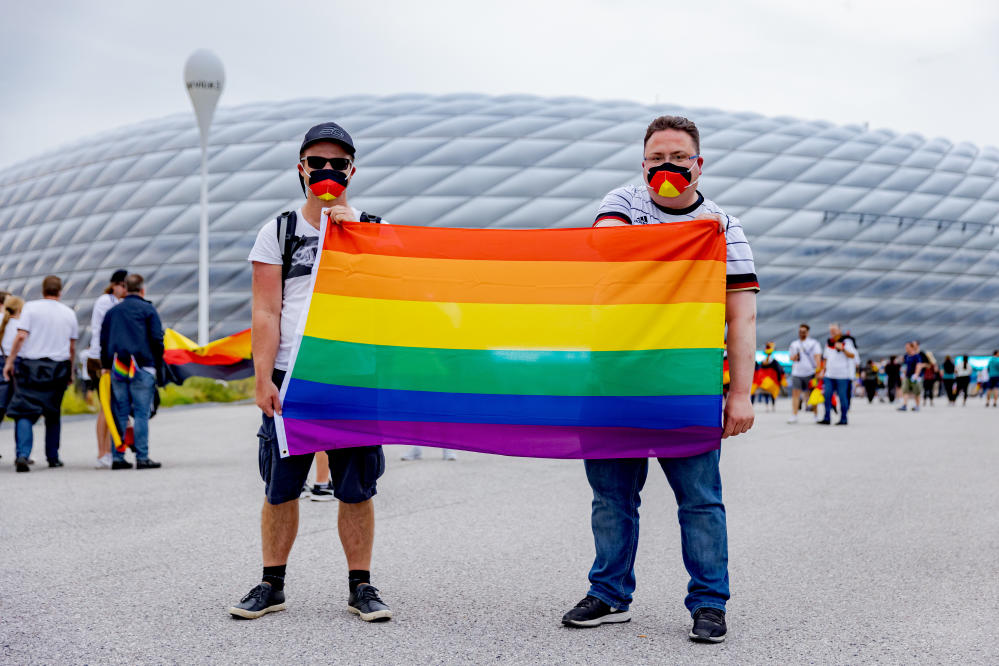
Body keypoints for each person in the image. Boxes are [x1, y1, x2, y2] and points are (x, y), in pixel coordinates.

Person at [560, 115, 758, 643]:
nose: (666, 169)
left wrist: (740, 393)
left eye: (677, 160)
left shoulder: (725, 227)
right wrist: (675, 242)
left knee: (700, 500)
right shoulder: (623, 203)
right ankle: (609, 593)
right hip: (611, 380)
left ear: (699, 164)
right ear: (642, 163)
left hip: (685, 384)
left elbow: (741, 316)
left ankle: (709, 603)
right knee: (611, 499)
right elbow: (605, 246)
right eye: (655, 160)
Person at [230, 122, 393, 622]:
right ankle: (271, 583)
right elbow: (266, 312)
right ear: (300, 168)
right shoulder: (276, 231)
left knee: (356, 488)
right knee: (280, 487)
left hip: (352, 379)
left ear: (352, 170)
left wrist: (352, 237)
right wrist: (262, 380)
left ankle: (360, 586)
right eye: (316, 162)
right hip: (290, 378)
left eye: (337, 164)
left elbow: (385, 305)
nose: (326, 171)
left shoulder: (372, 228)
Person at [3, 276, 79, 472]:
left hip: (31, 366)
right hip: (58, 367)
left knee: (24, 412)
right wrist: (70, 371)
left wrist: (10, 361)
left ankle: (22, 454)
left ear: (43, 290)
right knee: (53, 413)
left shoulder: (30, 308)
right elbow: (71, 347)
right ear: (60, 291)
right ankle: (53, 457)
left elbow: (21, 336)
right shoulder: (69, 313)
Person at [100, 273, 163, 470]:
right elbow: (157, 339)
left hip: (119, 366)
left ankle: (118, 457)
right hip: (143, 366)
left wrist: (105, 365)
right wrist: (158, 362)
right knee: (141, 413)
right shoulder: (148, 309)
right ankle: (142, 457)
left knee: (120, 412)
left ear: (125, 289)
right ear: (142, 290)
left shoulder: (113, 312)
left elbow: (104, 341)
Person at [86, 269, 128, 469]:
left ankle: (108, 451)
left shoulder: (114, 302)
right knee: (106, 407)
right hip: (101, 359)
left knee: (109, 406)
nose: (125, 290)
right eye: (123, 286)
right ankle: (103, 452)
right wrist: (106, 364)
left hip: (107, 358)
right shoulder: (105, 302)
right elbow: (105, 334)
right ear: (115, 285)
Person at [817, 323, 855, 425]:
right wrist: (822, 371)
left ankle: (843, 418)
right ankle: (827, 417)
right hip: (829, 375)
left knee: (842, 397)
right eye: (831, 330)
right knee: (827, 395)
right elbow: (825, 358)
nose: (832, 332)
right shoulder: (829, 342)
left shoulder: (847, 342)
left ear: (839, 330)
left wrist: (843, 349)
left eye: (834, 330)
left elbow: (852, 355)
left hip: (843, 375)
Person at [1, 296, 26, 444]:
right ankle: (21, 452)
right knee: (21, 410)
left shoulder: (3, 322)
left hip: (0, 362)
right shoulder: (21, 325)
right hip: (16, 364)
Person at [787, 323, 822, 423]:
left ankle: (816, 415)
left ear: (807, 332)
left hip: (810, 372)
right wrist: (796, 356)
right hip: (797, 372)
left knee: (813, 394)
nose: (802, 333)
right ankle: (794, 415)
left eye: (804, 332)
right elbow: (791, 358)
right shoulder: (794, 344)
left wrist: (818, 371)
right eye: (800, 332)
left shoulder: (814, 343)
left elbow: (817, 357)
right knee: (795, 394)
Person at [898, 341, 928, 412]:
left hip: (915, 377)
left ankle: (917, 406)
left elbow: (919, 365)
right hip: (907, 376)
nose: (906, 349)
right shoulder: (906, 356)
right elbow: (905, 366)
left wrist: (916, 375)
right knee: (905, 390)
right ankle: (904, 405)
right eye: (906, 348)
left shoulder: (917, 356)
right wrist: (903, 374)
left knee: (916, 392)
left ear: (912, 347)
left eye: (907, 348)